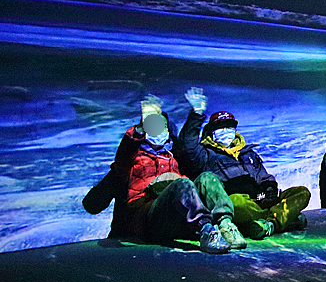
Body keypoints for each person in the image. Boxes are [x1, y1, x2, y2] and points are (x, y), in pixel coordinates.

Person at [82, 93, 240, 254]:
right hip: (146, 218)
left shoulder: (175, 158)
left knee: (207, 178)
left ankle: (226, 225)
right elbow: (124, 153)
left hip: (175, 219)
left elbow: (188, 148)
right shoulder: (132, 159)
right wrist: (141, 127)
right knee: (181, 184)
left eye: (162, 126)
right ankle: (206, 230)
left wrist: (197, 113)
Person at [176, 88, 311, 240]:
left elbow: (264, 177)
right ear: (212, 131)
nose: (226, 131)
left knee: (301, 193)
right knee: (238, 203)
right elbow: (187, 147)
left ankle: (266, 224)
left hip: (258, 201)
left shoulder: (248, 154)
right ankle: (280, 220)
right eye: (221, 128)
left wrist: (269, 188)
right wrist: (197, 114)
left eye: (229, 127)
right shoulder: (205, 154)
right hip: (235, 203)